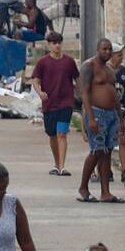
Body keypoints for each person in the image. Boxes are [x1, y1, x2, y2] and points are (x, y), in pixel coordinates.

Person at [78, 39, 123, 203]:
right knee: (97, 150)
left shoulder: (110, 69)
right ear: (97, 49)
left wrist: (120, 117)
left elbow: (115, 95)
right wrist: (90, 119)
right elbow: (84, 93)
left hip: (112, 115)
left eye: (110, 49)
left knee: (107, 152)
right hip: (96, 113)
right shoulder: (88, 66)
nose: (108, 52)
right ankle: (83, 187)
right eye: (104, 48)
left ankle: (106, 192)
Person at [31, 32, 80, 176]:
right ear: (49, 45)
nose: (57, 45)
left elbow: (77, 78)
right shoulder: (43, 62)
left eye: (59, 42)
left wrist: (82, 94)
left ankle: (62, 166)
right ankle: (57, 163)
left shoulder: (69, 62)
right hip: (49, 104)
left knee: (61, 134)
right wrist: (40, 93)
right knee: (52, 135)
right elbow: (35, 79)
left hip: (66, 103)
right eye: (54, 43)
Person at [110, 45, 125, 181]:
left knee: (123, 140)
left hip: (122, 109)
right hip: (108, 110)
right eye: (118, 54)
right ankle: (106, 171)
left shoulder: (123, 70)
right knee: (107, 143)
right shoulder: (104, 70)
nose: (121, 57)